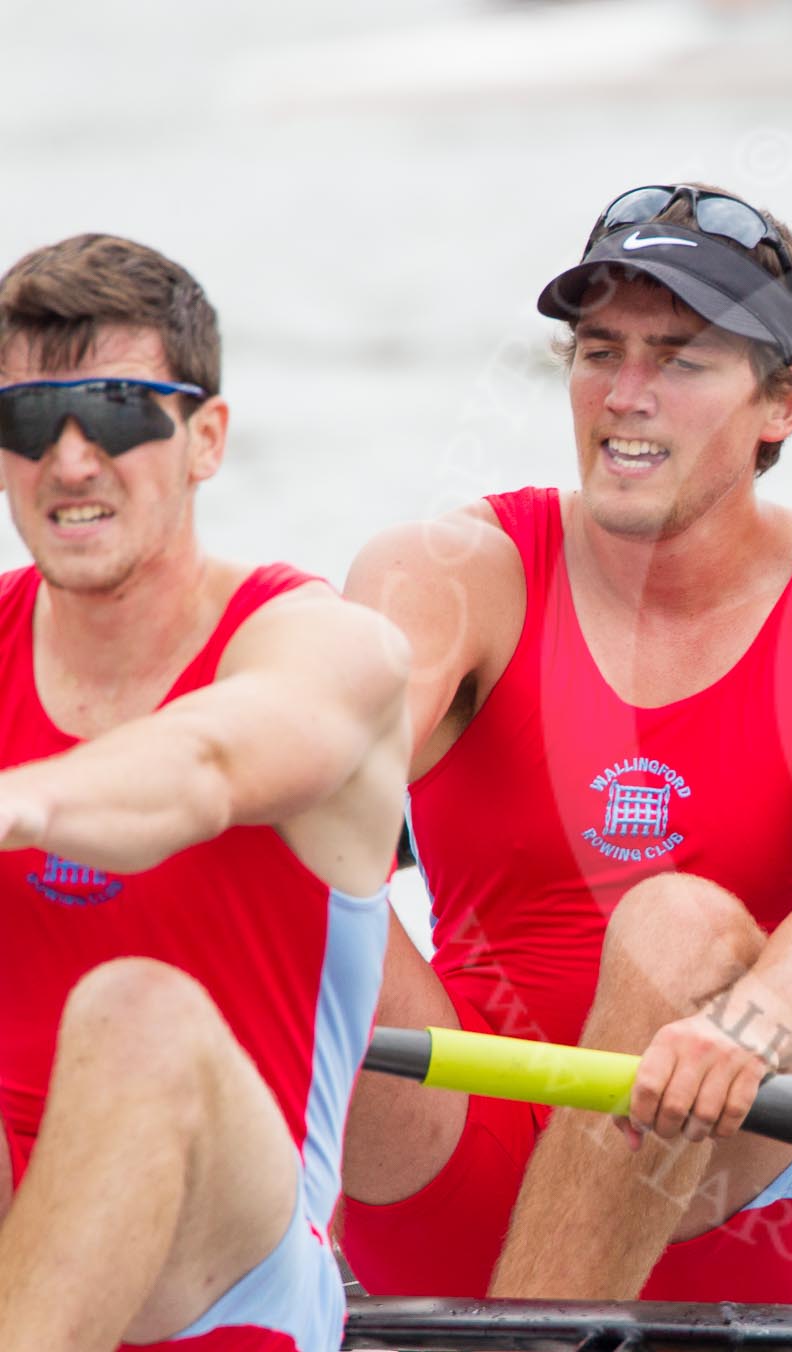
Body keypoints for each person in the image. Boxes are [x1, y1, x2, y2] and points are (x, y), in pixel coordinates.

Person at [337, 185, 792, 1304]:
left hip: (732, 1156)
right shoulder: (448, 569)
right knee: (296, 859)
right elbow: (322, 786)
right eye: (600, 351)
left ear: (784, 403)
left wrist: (749, 1021)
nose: (625, 396)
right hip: (455, 1141)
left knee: (675, 922)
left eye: (681, 360)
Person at [0, 235, 409, 1352]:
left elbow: (202, 768)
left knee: (140, 1011)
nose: (73, 461)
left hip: (228, 1278)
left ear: (206, 439)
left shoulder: (329, 648)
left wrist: (20, 804)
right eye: (32, 420)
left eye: (122, 412)